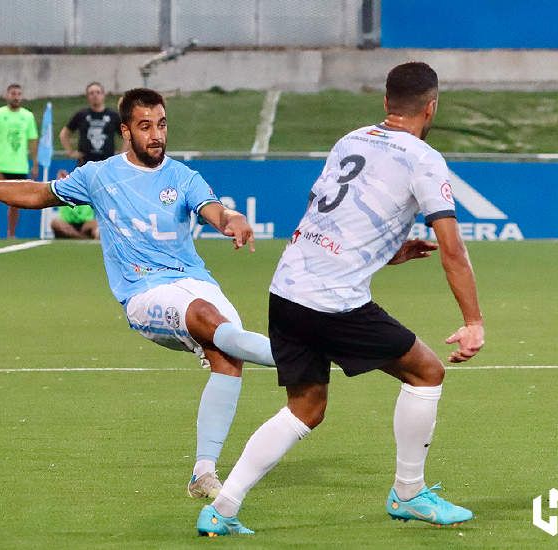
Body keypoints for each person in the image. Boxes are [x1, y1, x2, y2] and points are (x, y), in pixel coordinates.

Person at [0, 87, 276, 500]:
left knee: (229, 355)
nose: (157, 135)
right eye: (145, 126)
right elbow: (37, 193)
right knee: (212, 320)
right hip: (144, 292)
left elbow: (215, 210)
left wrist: (233, 218)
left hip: (195, 281)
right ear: (126, 131)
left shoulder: (183, 176)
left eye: (162, 124)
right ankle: (302, 353)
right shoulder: (99, 175)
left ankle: (203, 473)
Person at [196, 62, 485, 537]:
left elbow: (328, 217)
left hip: (286, 290)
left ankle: (222, 508)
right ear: (431, 106)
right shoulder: (423, 158)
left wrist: (390, 253)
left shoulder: (350, 140)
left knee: (306, 405)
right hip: (332, 301)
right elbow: (452, 248)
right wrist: (473, 321)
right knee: (427, 370)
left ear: (385, 102)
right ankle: (408, 494)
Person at [0, 83, 39, 239]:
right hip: (1, 164)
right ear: (7, 95)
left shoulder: (28, 116)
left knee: (15, 203)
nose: (16, 97)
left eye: (19, 94)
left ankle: (11, 234)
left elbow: (33, 141)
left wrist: (35, 163)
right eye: (13, 93)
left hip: (19, 166)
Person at [59, 82, 122, 166]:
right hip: (85, 164)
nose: (95, 95)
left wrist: (122, 153)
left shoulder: (113, 115)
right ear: (87, 97)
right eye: (91, 93)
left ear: (103, 95)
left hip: (107, 164)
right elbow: (64, 134)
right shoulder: (81, 115)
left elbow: (127, 136)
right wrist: (70, 152)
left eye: (98, 92)